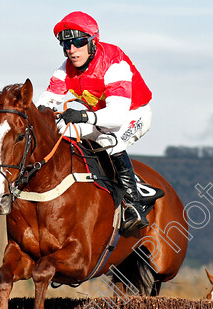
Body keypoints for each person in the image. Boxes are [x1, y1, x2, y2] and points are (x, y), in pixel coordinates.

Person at [36, 11, 153, 233]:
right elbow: (45, 106)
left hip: (132, 115)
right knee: (60, 131)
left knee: (112, 142)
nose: (71, 50)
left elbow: (117, 116)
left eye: (78, 42)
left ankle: (133, 206)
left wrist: (82, 116)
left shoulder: (114, 63)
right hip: (101, 119)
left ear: (92, 42)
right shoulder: (64, 70)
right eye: (66, 44)